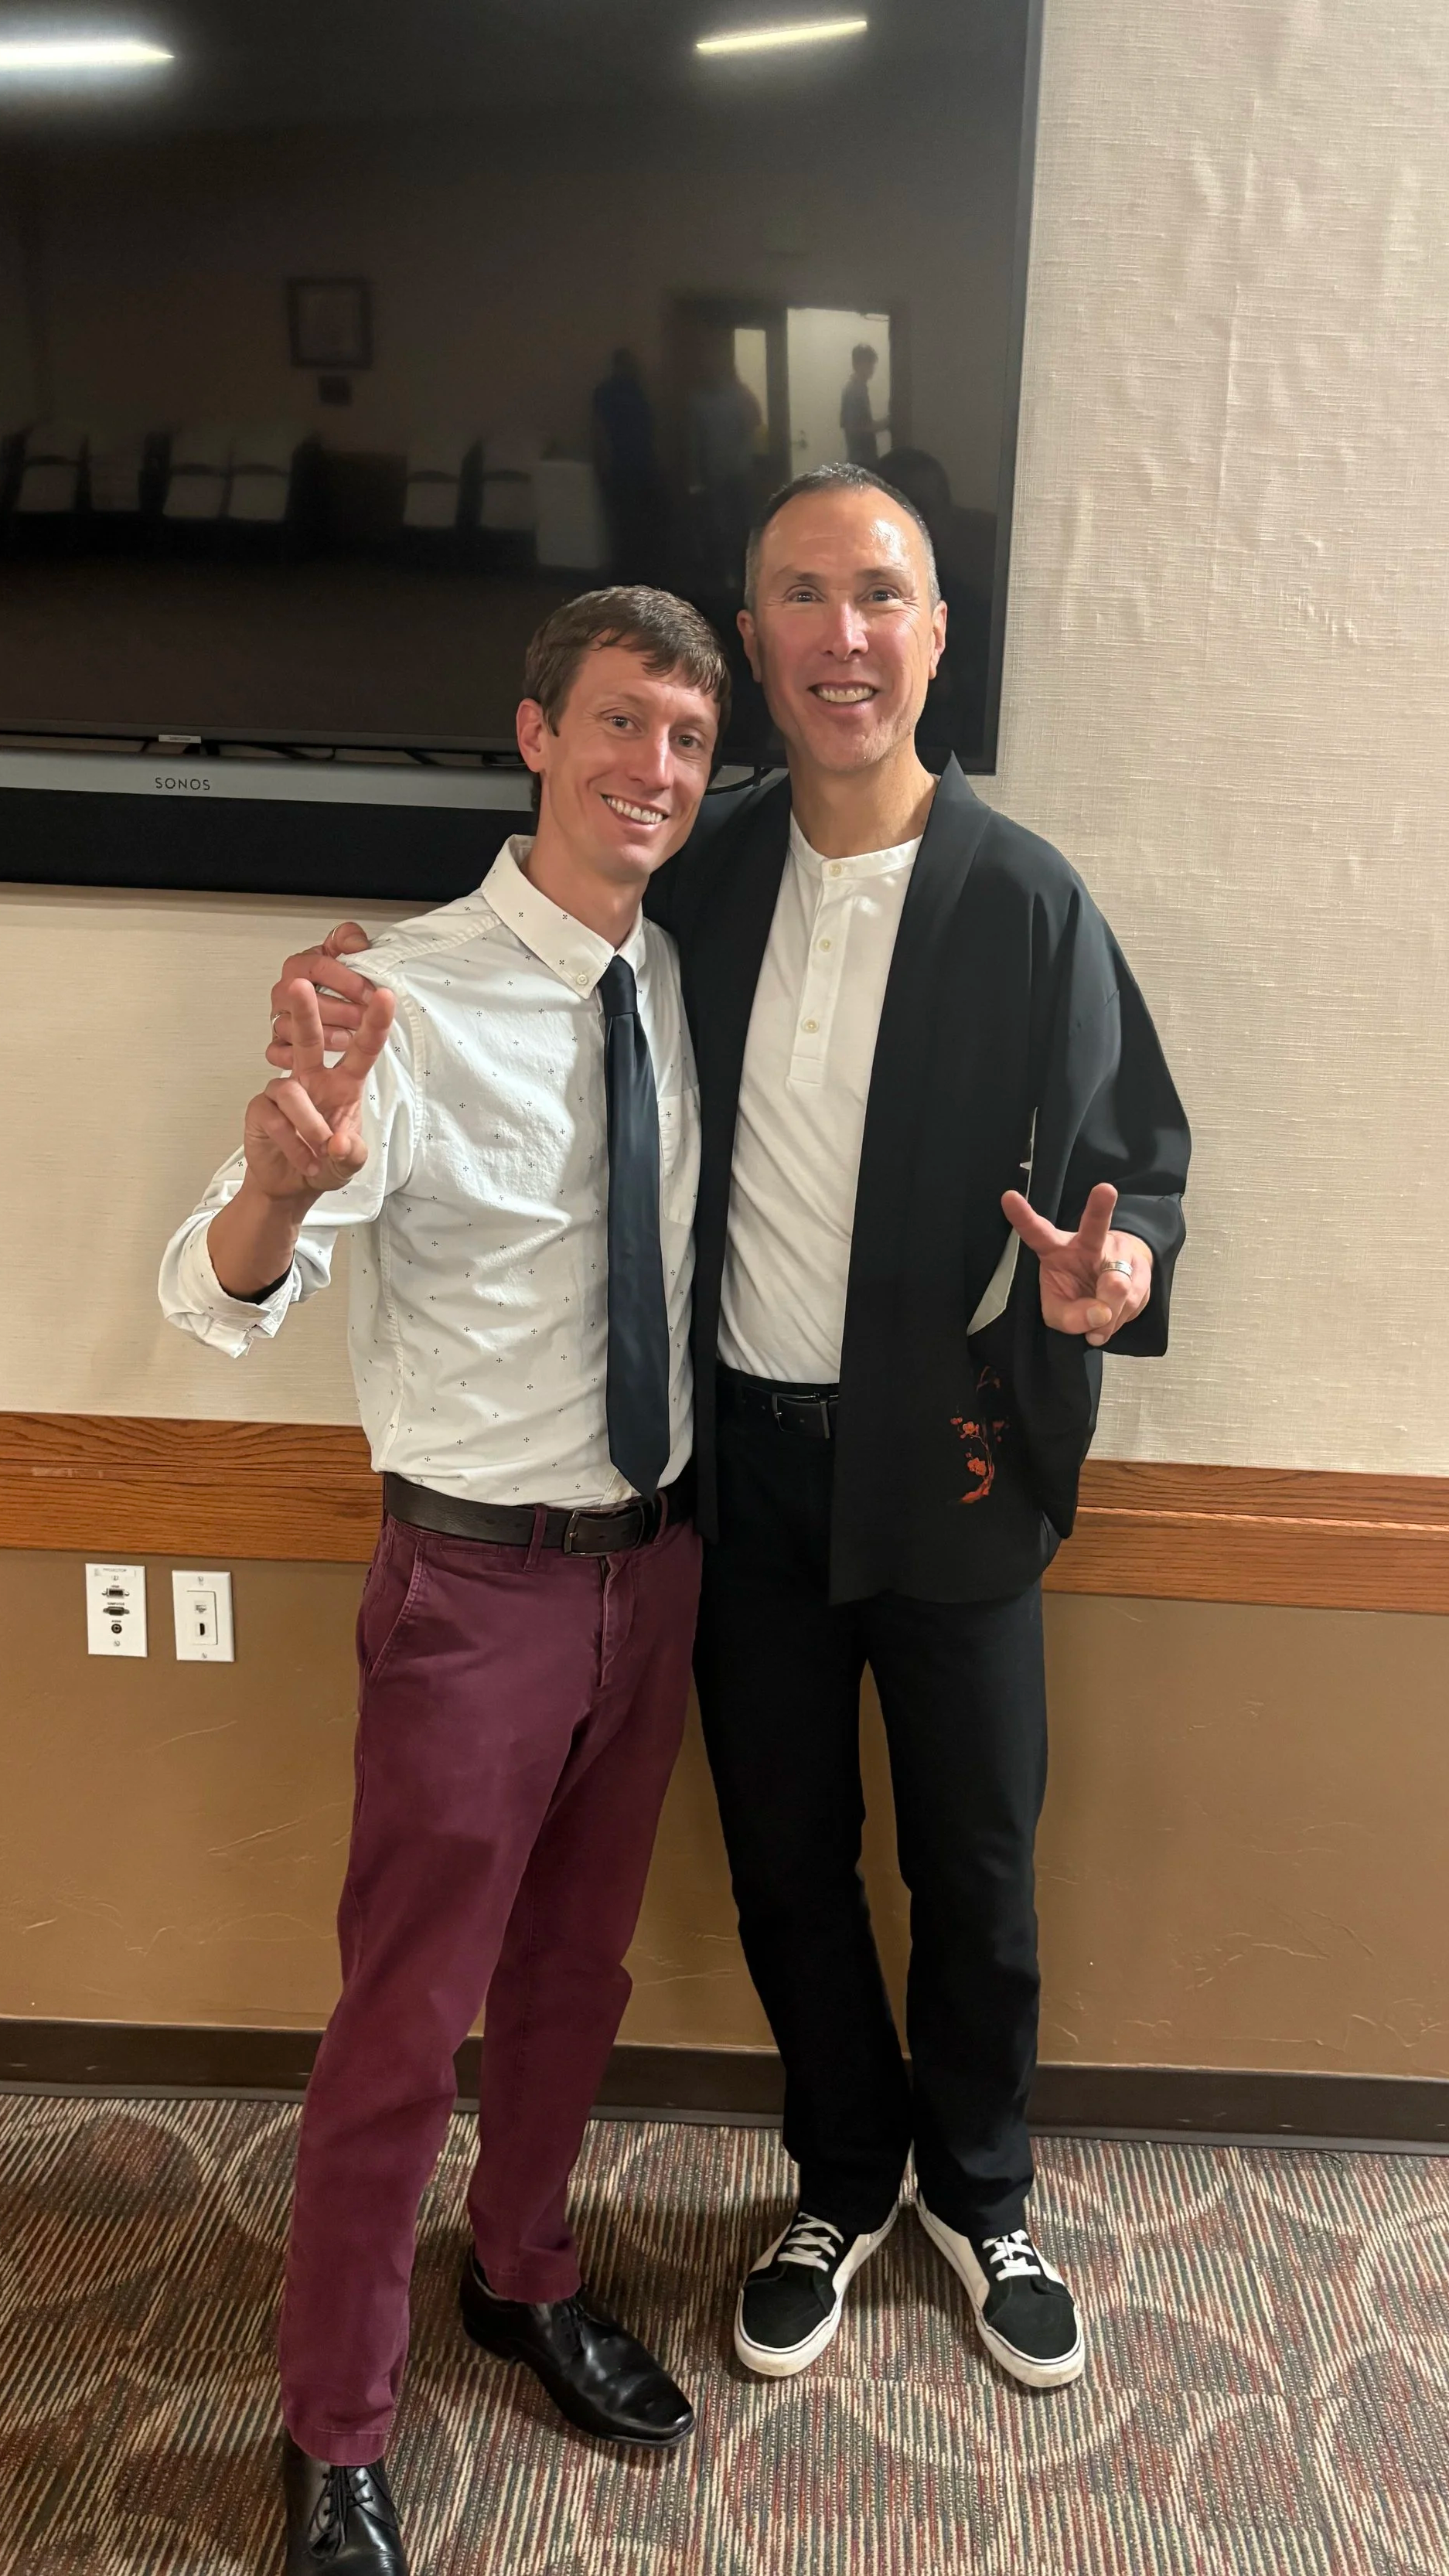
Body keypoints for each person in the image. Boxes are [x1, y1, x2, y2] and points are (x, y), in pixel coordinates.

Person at [275, 464, 1189, 2408]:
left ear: (935, 635)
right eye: (799, 596)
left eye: (881, 595)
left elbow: (1135, 1178)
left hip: (946, 1468)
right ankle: (838, 2182)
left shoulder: (1024, 899)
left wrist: (1112, 1282)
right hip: (735, 1482)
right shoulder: (701, 869)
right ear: (756, 641)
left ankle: (985, 2192)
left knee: (977, 1863)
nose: (842, 634)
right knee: (783, 1857)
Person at [160, 588, 730, 2576]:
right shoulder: (392, 1001)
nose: (650, 768)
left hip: (652, 1572)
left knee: (575, 1979)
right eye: (615, 725)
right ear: (531, 736)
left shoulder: (675, 981)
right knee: (401, 2026)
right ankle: (334, 2423)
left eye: (681, 735)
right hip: (469, 1595)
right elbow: (228, 1294)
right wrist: (272, 1192)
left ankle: (523, 2268)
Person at [592, 347, 662, 582]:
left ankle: (628, 572)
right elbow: (601, 432)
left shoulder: (612, 392)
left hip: (628, 467)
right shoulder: (631, 392)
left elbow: (599, 432)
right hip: (632, 466)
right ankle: (632, 573)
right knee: (631, 523)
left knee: (626, 523)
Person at [840, 342, 888, 466]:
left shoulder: (858, 388)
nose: (872, 368)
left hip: (861, 459)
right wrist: (888, 422)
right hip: (861, 461)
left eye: (872, 364)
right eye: (868, 363)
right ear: (856, 364)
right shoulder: (854, 390)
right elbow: (859, 427)